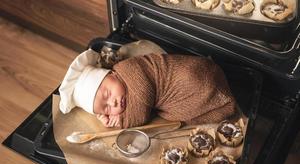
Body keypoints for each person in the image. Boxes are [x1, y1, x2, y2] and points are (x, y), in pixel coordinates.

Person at [59, 40, 238, 128]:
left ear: (111, 73)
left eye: (107, 94)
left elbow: (140, 115)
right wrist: (103, 115)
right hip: (204, 70)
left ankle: (216, 97)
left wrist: (120, 121)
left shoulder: (130, 70)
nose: (113, 103)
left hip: (192, 78)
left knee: (194, 85)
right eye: (106, 109)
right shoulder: (123, 83)